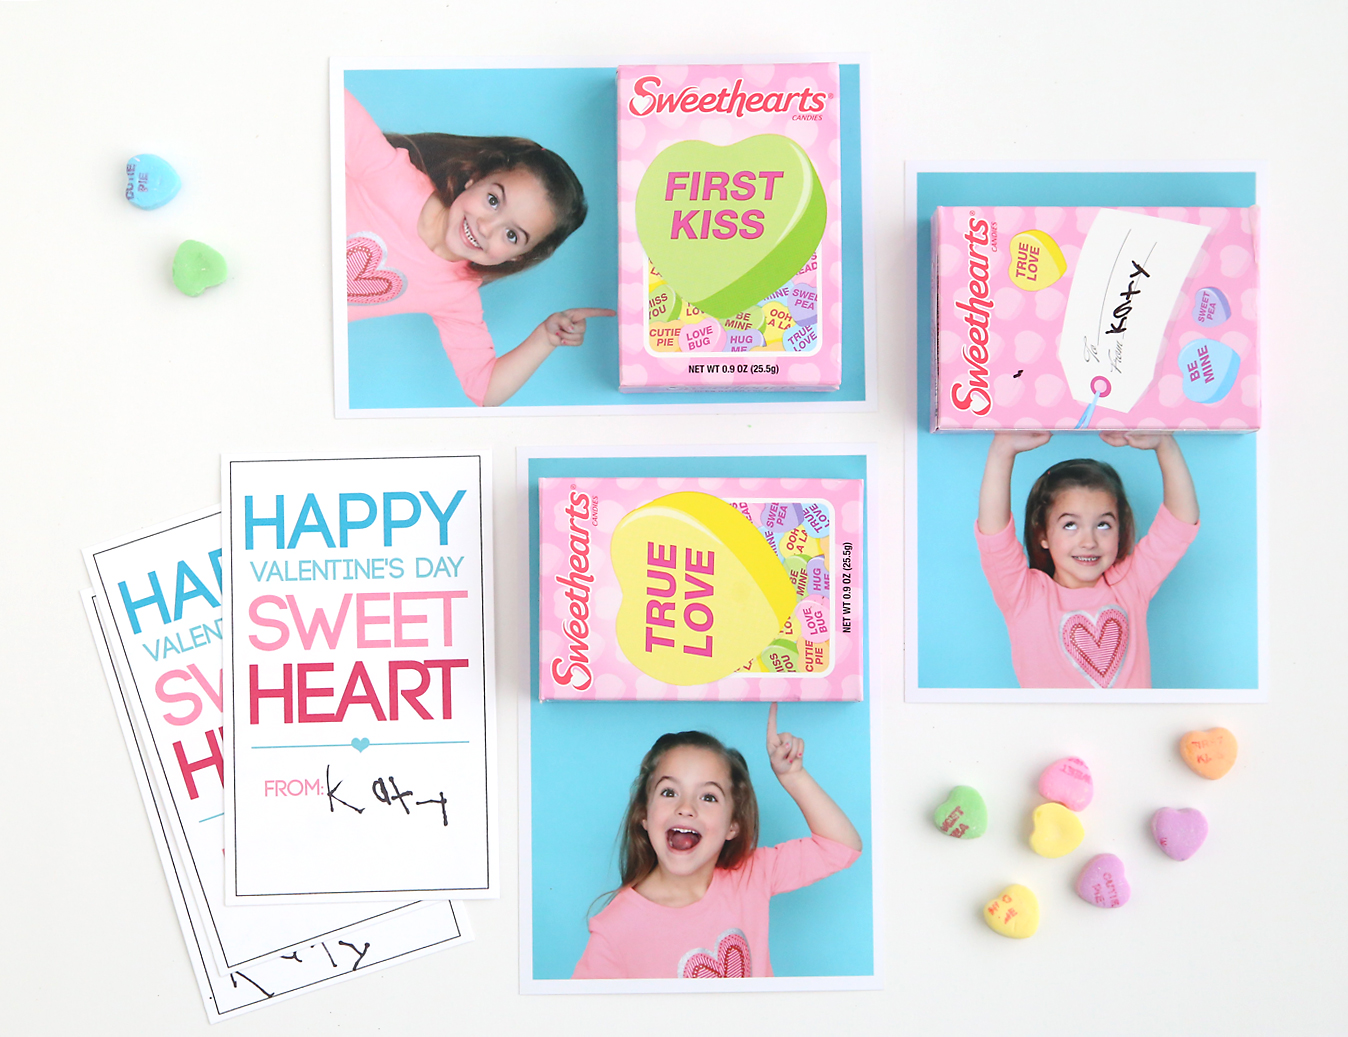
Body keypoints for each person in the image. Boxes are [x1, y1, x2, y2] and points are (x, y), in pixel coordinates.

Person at [345, 90, 614, 406]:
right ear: (474, 177)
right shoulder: (391, 177)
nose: (486, 227)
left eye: (512, 235)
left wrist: (546, 337)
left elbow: (485, 389)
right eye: (493, 200)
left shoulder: (456, 295)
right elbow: (330, 99)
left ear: (518, 256)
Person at [572, 705, 862, 979]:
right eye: (669, 792)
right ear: (644, 816)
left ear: (732, 826)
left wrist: (793, 776)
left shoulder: (751, 876)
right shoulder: (615, 928)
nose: (686, 807)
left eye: (708, 797)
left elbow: (840, 846)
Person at [976, 431, 1200, 689]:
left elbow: (1180, 522)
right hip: (1052, 730)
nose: (1089, 541)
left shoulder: (1130, 585)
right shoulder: (1025, 596)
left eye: (1103, 525)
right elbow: (994, 538)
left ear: (1120, 531)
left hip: (1131, 729)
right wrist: (1002, 451)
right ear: (1042, 534)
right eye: (1070, 525)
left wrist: (1165, 444)